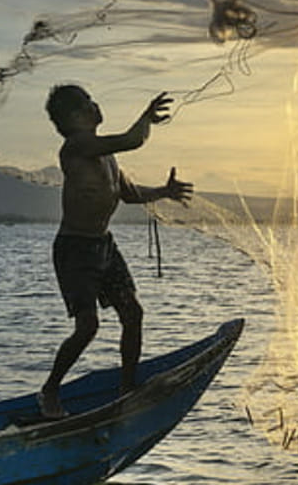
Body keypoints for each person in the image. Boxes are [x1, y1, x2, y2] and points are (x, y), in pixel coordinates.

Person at [38, 84, 193, 419]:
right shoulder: (77, 147)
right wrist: (147, 117)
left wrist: (164, 191)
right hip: (75, 249)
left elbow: (130, 194)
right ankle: (50, 391)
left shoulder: (106, 154)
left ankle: (126, 389)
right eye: (89, 103)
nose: (97, 105)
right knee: (87, 327)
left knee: (133, 314)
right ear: (75, 116)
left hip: (104, 245)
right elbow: (133, 139)